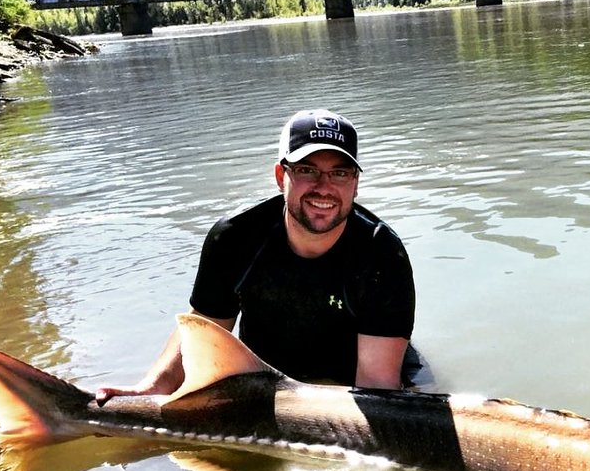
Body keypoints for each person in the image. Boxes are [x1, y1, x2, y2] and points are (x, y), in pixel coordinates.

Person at [97, 109, 416, 400]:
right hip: (268, 378)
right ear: (281, 176)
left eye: (340, 173)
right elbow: (205, 326)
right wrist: (151, 389)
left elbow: (377, 387)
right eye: (307, 170)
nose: (324, 187)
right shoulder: (235, 237)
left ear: (355, 183)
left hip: (358, 376)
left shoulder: (382, 253)